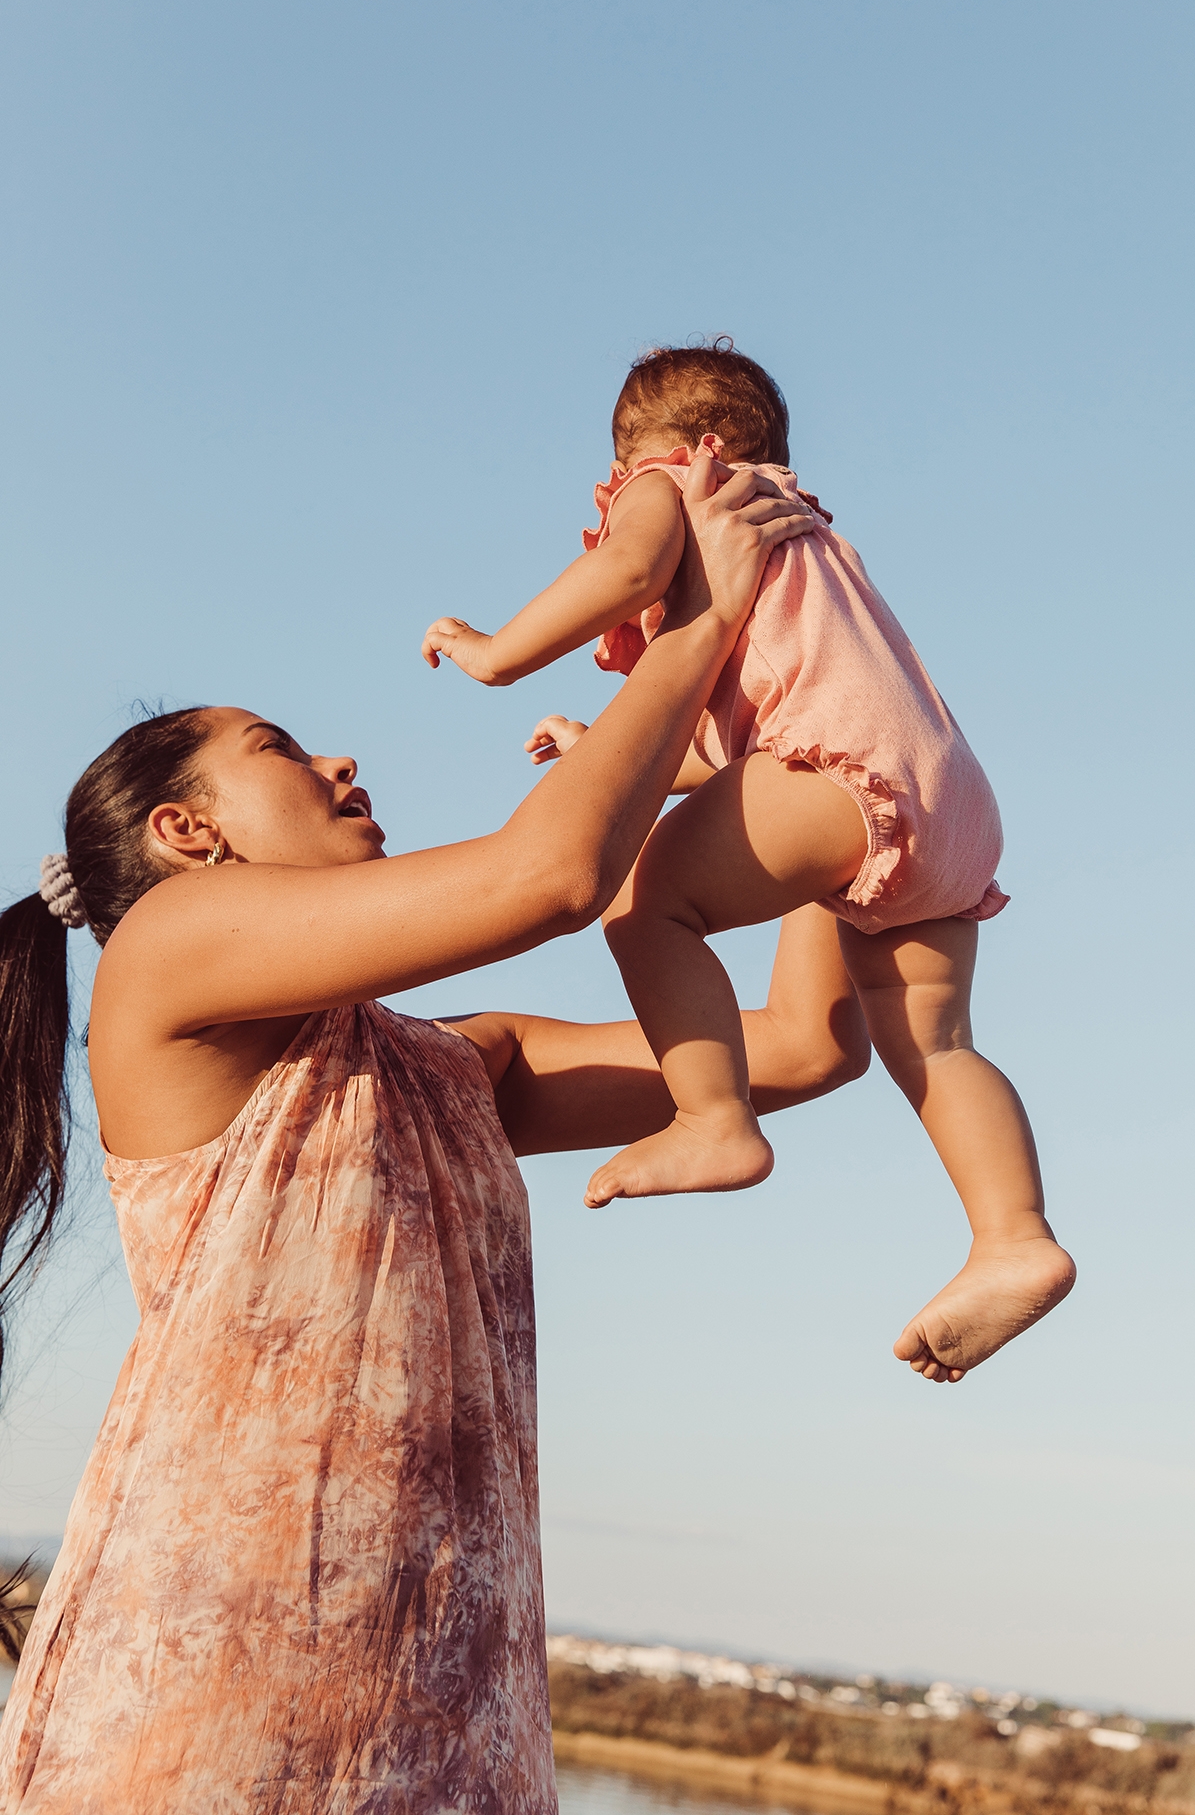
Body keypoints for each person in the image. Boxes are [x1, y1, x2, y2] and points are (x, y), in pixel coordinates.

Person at [0, 455, 866, 1812]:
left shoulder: (461, 1070)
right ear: (186, 832)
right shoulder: (163, 958)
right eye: (282, 751)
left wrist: (815, 736)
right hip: (209, 1725)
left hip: (450, 1745)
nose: (342, 757)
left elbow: (809, 1047)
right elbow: (552, 874)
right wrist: (701, 626)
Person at [423, 341, 1075, 1383]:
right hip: (944, 798)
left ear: (645, 447)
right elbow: (735, 744)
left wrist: (496, 652)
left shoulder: (683, 485)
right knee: (940, 1046)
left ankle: (713, 1116)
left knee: (646, 904)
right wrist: (604, 748)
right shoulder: (802, 530)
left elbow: (624, 570)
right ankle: (1015, 1237)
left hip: (837, 775)